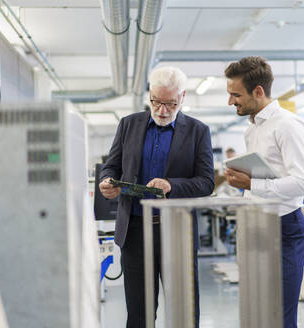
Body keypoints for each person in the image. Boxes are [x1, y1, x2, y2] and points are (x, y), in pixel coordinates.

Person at [99, 66, 214, 328]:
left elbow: (206, 182)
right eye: (156, 102)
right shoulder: (128, 125)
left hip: (176, 232)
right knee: (139, 313)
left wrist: (171, 185)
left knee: (184, 312)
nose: (162, 110)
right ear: (149, 95)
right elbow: (111, 166)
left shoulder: (198, 132)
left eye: (170, 104)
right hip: (135, 232)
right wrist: (107, 181)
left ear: (182, 98)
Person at [223, 56, 304, 328]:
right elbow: (268, 176)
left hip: (284, 227)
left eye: (235, 94)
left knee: (280, 315)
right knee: (258, 312)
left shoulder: (288, 125)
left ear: (258, 91)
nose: (231, 102)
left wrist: (251, 184)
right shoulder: (252, 130)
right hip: (256, 224)